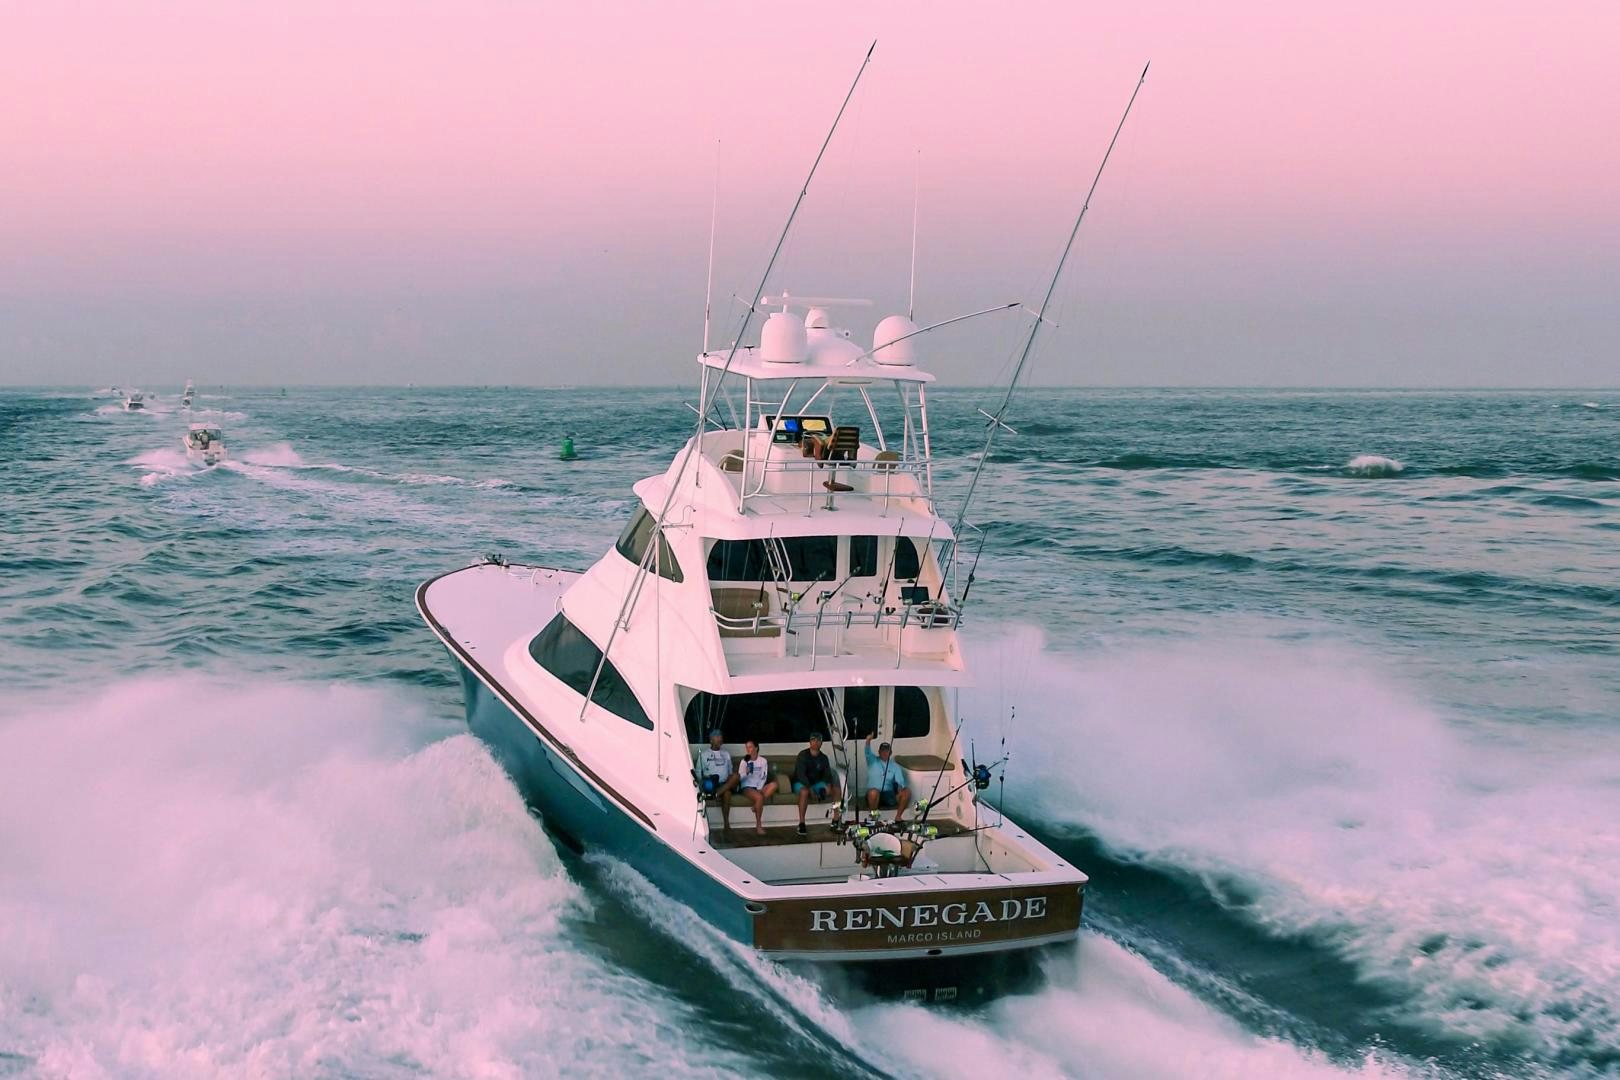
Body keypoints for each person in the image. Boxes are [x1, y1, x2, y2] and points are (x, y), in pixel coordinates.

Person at [791, 733, 841, 836]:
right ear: (810, 742)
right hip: (800, 783)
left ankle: (836, 820)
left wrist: (827, 785)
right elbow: (801, 775)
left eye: (818, 740)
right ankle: (801, 824)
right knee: (804, 791)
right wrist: (810, 789)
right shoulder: (803, 755)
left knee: (836, 790)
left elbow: (827, 775)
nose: (816, 742)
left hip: (816, 784)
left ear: (821, 743)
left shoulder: (824, 758)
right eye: (813, 740)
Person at [730, 739, 778, 835]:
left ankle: (756, 806)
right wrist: (746, 772)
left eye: (750, 747)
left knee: (774, 785)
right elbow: (740, 778)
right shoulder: (744, 761)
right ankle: (759, 825)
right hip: (747, 787)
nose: (748, 749)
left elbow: (764, 776)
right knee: (759, 797)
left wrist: (760, 788)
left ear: (756, 748)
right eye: (747, 747)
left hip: (758, 787)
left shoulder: (763, 761)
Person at [864, 735, 911, 817]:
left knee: (907, 791)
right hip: (873, 795)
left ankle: (898, 817)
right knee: (873, 792)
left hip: (889, 795)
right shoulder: (872, 760)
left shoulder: (895, 766)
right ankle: (874, 818)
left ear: (890, 753)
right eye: (882, 751)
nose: (885, 753)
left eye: (887, 751)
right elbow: (867, 751)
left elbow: (900, 782)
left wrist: (900, 787)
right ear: (879, 752)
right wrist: (868, 740)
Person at [694, 730, 737, 811]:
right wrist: (705, 779)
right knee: (727, 792)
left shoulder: (726, 754)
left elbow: (730, 772)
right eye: (717, 737)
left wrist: (730, 779)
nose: (720, 738)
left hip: (724, 783)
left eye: (721, 736)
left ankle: (715, 795)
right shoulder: (704, 754)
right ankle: (717, 793)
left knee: (735, 777)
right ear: (711, 740)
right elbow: (698, 772)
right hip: (711, 784)